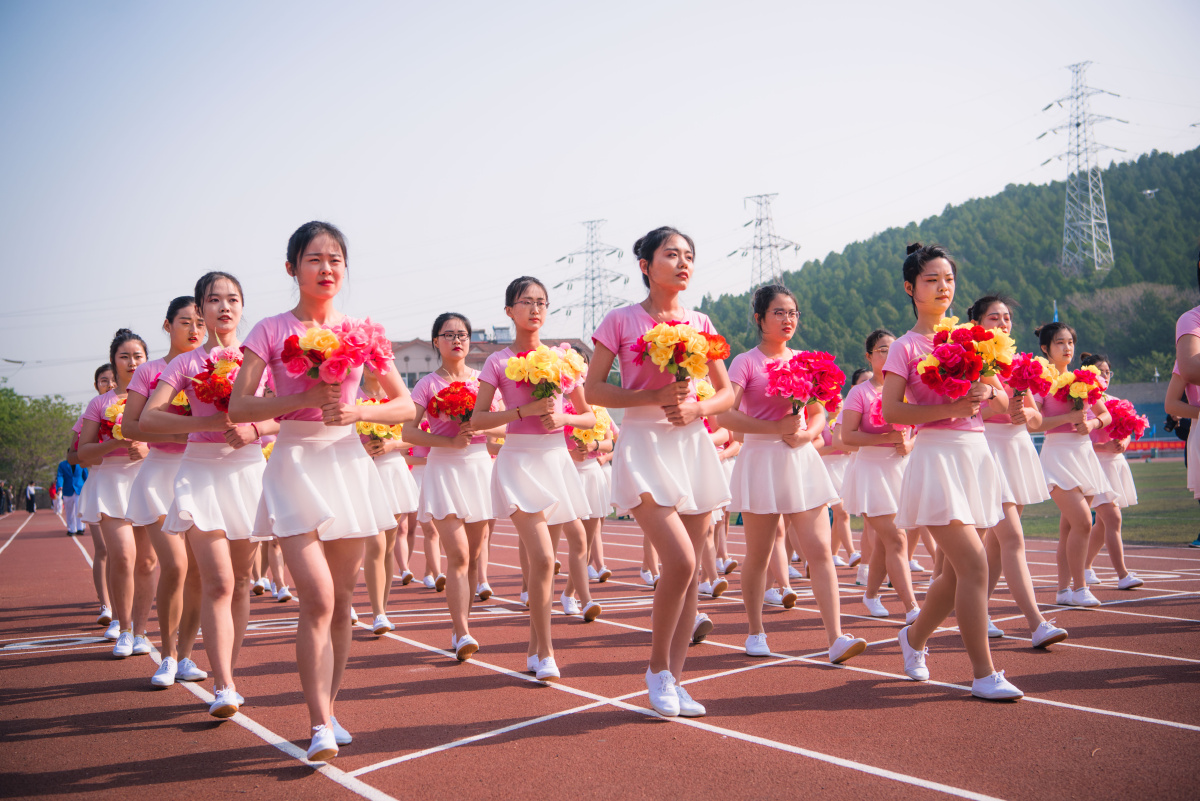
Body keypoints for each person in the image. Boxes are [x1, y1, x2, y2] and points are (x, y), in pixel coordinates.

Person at [229, 221, 414, 763]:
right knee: (317, 597)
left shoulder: (362, 333)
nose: (326, 269)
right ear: (292, 268)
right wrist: (304, 395)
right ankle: (316, 725)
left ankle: (329, 709)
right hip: (293, 461)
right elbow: (240, 406)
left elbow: (406, 405)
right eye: (314, 259)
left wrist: (361, 410)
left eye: (335, 259)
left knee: (342, 603)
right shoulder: (269, 329)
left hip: (346, 460)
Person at [586, 227, 734, 717]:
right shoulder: (621, 320)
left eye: (689, 255)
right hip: (644, 444)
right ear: (646, 264)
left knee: (690, 577)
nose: (682, 262)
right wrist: (652, 397)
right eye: (671, 254)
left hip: (690, 444)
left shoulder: (702, 321)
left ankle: (675, 677)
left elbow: (726, 394)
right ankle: (655, 670)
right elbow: (594, 392)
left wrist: (698, 410)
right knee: (683, 562)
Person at [881, 242, 1023, 700]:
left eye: (948, 279)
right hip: (936, 457)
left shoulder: (973, 338)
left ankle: (913, 638)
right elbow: (893, 412)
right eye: (931, 280)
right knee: (975, 565)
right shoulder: (904, 347)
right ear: (910, 288)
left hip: (975, 455)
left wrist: (983, 386)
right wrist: (951, 405)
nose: (943, 287)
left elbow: (1000, 403)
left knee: (955, 574)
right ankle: (983, 673)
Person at [719, 283, 867, 663]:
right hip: (761, 460)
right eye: (779, 313)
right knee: (759, 554)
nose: (788, 320)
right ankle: (754, 630)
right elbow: (725, 415)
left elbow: (819, 413)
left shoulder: (805, 360)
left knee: (819, 550)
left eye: (793, 313)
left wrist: (806, 435)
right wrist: (775, 430)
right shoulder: (746, 362)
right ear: (759, 318)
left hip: (800, 460)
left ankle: (835, 638)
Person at [471, 277, 600, 683]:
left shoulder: (564, 359)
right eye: (526, 302)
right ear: (509, 311)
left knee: (555, 557)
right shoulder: (498, 361)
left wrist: (562, 418)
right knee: (544, 559)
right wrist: (521, 413)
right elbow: (477, 420)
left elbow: (589, 416)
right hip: (518, 462)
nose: (535, 309)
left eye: (541, 302)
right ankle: (546, 652)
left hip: (556, 461)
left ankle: (532, 647)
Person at [968, 295, 1068, 647]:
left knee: (995, 546)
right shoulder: (973, 362)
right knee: (1012, 538)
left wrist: (1027, 415)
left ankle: (976, 609)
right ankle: (1037, 622)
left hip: (1016, 450)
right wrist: (1004, 411)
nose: (1003, 323)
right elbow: (970, 411)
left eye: (1007, 318)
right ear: (978, 324)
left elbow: (1036, 418)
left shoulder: (1019, 363)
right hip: (987, 450)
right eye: (994, 318)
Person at [123, 295, 209, 688]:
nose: (194, 330)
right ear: (167, 325)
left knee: (197, 574)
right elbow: (132, 427)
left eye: (200, 323)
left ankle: (187, 654)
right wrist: (183, 431)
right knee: (175, 565)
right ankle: (167, 655)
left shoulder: (213, 369)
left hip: (201, 472)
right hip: (160, 475)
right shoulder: (151, 371)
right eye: (185, 322)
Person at [407, 312, 498, 660]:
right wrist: (448, 443)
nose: (456, 340)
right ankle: (461, 632)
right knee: (458, 554)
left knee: (474, 555)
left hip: (478, 468)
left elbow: (498, 421)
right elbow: (408, 433)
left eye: (462, 334)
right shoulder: (427, 384)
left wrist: (488, 432)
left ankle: (463, 623)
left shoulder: (483, 382)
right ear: (436, 342)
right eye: (448, 334)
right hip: (444, 467)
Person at [78, 330, 153, 658]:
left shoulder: (158, 397)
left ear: (147, 359)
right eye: (125, 356)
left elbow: (180, 438)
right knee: (123, 556)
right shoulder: (100, 403)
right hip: (111, 483)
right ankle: (124, 630)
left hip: (149, 479)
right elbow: (83, 454)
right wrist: (116, 443)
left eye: (138, 356)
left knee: (148, 561)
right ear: (114, 361)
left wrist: (146, 448)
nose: (132, 362)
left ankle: (142, 630)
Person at [1028, 322, 1113, 608]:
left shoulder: (1085, 378)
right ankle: (1080, 588)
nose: (1067, 348)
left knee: (1069, 529)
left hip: (1083, 454)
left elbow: (1106, 415)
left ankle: (1063, 590)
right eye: (1060, 343)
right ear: (1045, 348)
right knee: (1082, 522)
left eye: (1070, 342)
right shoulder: (1040, 380)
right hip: (1057, 456)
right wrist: (1067, 419)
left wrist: (1091, 422)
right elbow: (1034, 424)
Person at [840, 329, 920, 622]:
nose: (889, 355)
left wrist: (907, 443)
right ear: (869, 356)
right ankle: (912, 607)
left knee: (889, 541)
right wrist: (885, 437)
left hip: (901, 470)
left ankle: (871, 593)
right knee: (896, 539)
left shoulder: (908, 390)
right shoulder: (860, 392)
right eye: (882, 350)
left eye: (894, 349)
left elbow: (919, 430)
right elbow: (847, 437)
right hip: (871, 472)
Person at [1079, 353, 1143, 590]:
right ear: (1088, 375)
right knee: (1113, 518)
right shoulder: (1083, 403)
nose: (1105, 375)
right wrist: (1102, 446)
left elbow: (1128, 428)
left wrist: (1124, 443)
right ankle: (1123, 574)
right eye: (1099, 371)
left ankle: (1085, 567)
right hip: (1094, 465)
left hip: (1115, 464)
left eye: (1107, 371)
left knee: (1104, 524)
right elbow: (1079, 437)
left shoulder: (1116, 400)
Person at [56, 455, 88, 535]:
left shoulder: (81, 463)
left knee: (79, 509)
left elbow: (86, 476)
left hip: (79, 489)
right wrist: (60, 485)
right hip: (67, 490)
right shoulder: (62, 465)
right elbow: (60, 476)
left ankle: (80, 528)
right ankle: (71, 529)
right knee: (69, 511)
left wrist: (89, 486)